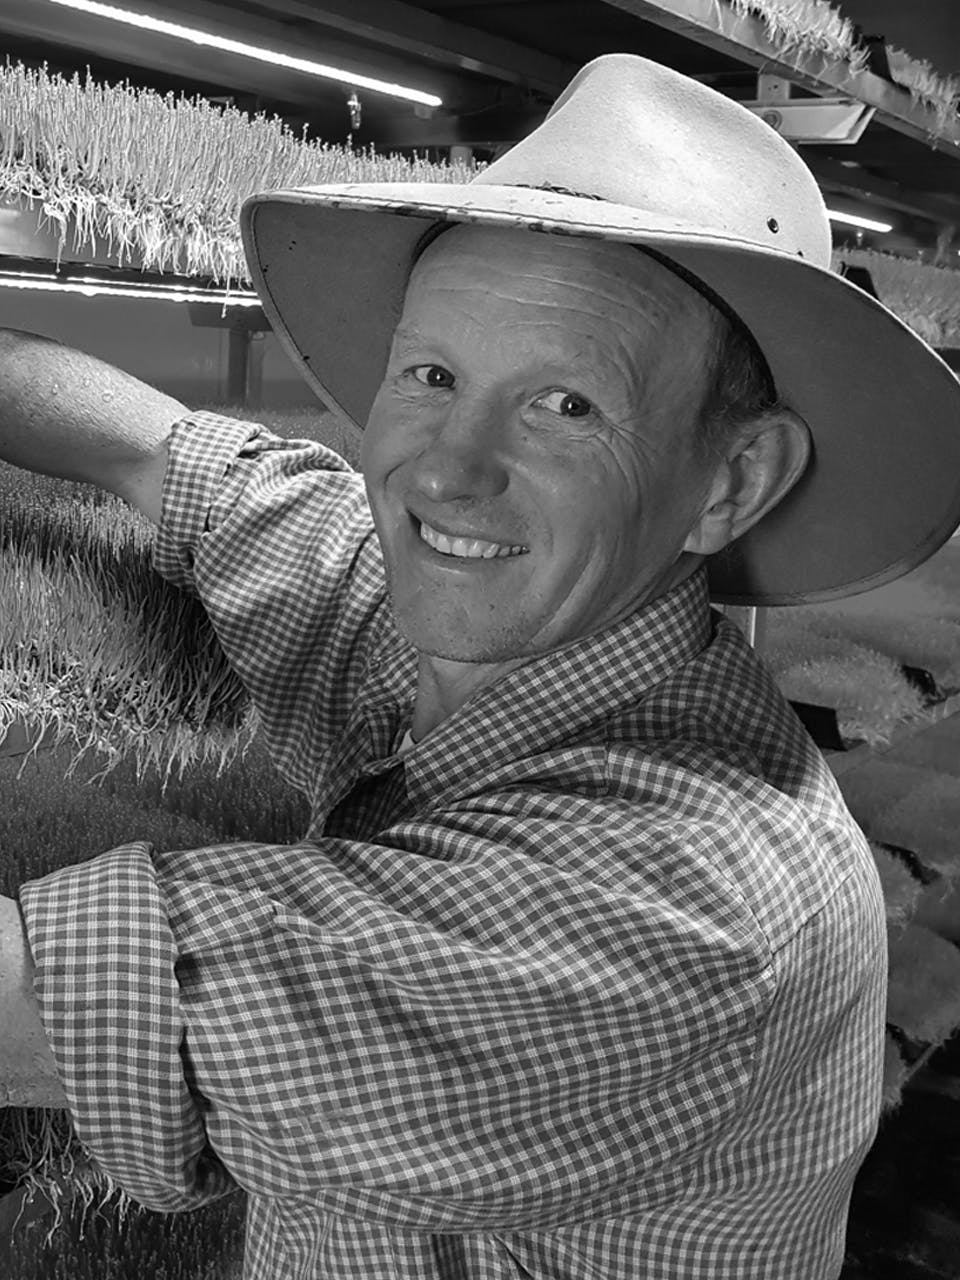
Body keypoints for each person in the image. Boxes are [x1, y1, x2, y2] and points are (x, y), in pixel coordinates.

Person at [2, 52, 959, 1280]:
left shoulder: (688, 907)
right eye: (432, 374)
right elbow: (166, 454)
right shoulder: (489, 621)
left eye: (566, 405)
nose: (448, 470)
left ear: (731, 481)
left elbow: (48, 1001)